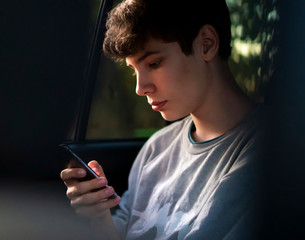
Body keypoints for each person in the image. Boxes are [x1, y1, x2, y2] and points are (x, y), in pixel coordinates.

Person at [60, 0, 265, 239]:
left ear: (207, 44)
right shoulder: (156, 148)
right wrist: (97, 217)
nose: (140, 88)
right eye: (133, 69)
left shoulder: (264, 156)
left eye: (154, 63)